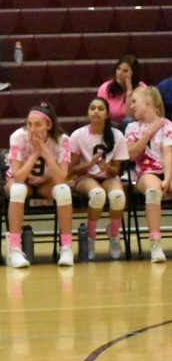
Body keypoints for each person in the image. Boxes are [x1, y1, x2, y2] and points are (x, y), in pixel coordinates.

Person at [4, 102, 74, 268]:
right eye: (29, 124)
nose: (32, 129)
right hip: (22, 180)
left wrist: (44, 150)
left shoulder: (63, 140)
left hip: (46, 182)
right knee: (18, 189)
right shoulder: (17, 137)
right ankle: (15, 249)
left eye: (37, 124)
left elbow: (61, 177)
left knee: (63, 191)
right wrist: (35, 153)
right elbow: (19, 176)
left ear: (48, 125)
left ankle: (66, 247)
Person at [69, 98, 129, 261]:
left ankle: (114, 235)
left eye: (100, 109)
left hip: (108, 177)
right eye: (92, 108)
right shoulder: (78, 135)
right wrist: (89, 164)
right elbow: (70, 170)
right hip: (85, 177)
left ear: (107, 114)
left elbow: (117, 170)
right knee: (97, 195)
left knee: (118, 196)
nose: (96, 111)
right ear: (88, 112)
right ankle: (90, 237)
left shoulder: (117, 135)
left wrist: (107, 168)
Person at [125, 87, 172, 263]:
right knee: (153, 191)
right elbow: (131, 154)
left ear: (148, 102)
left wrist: (167, 178)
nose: (131, 107)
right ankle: (155, 243)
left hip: (167, 170)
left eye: (134, 101)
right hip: (145, 173)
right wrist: (148, 133)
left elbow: (168, 154)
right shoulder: (131, 127)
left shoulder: (167, 125)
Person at [96, 55, 146, 129]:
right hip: (111, 127)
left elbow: (132, 116)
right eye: (118, 69)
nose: (120, 73)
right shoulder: (106, 87)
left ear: (133, 73)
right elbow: (100, 113)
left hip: (134, 127)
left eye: (125, 71)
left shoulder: (142, 88)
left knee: (128, 121)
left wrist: (129, 91)